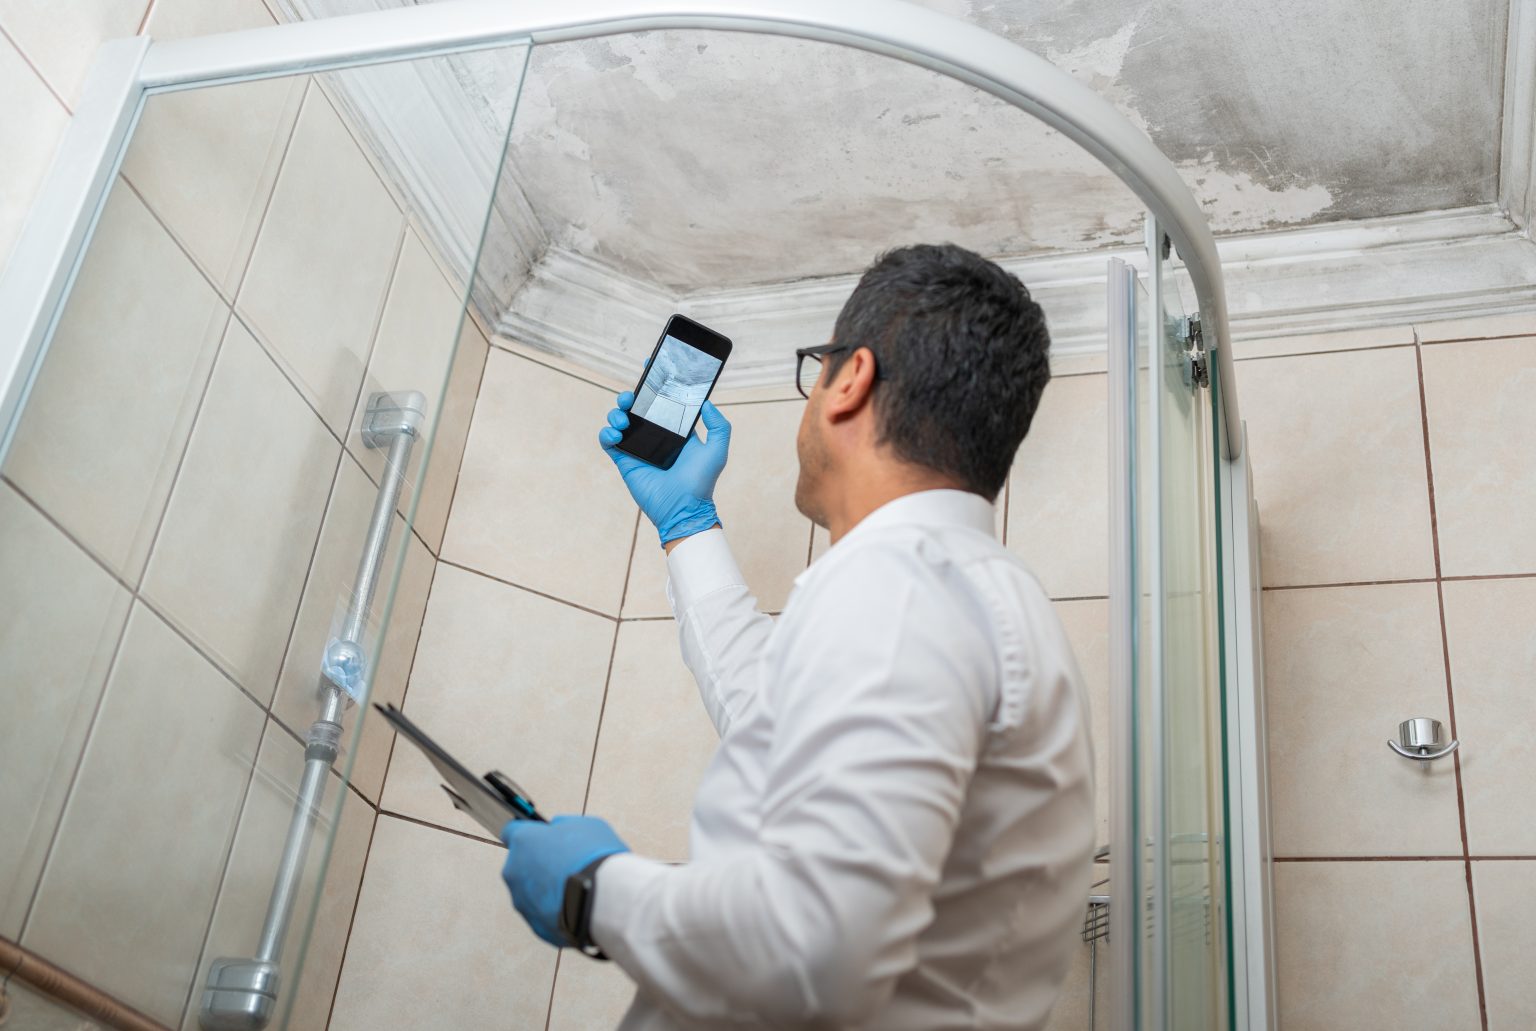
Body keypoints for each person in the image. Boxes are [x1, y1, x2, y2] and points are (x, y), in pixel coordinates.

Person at [499, 243, 1095, 1030]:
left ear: (849, 380)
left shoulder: (905, 585)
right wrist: (689, 525)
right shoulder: (964, 592)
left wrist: (595, 891)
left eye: (816, 370)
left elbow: (814, 945)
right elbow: (770, 719)